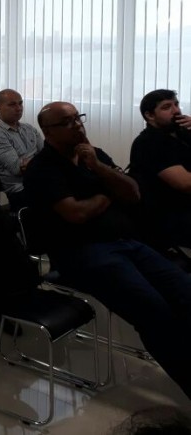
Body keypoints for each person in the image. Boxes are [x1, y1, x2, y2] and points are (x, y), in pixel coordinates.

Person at [23, 101, 191, 398]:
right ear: (48, 132)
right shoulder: (42, 168)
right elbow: (77, 213)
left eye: (78, 118)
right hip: (82, 253)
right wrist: (109, 190)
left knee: (185, 292)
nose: (78, 125)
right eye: (67, 122)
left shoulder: (94, 155)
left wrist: (99, 168)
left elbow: (133, 193)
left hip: (126, 243)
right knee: (154, 312)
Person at [130, 89, 191, 250]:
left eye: (176, 104)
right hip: (170, 219)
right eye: (167, 107)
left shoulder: (182, 134)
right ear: (150, 115)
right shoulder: (149, 142)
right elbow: (186, 184)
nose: (176, 111)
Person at [0, 89, 43, 211]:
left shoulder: (29, 128)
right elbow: (17, 169)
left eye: (20, 103)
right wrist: (42, 161)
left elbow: (47, 156)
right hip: (20, 190)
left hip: (39, 181)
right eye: (12, 105)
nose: (18, 108)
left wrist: (34, 162)